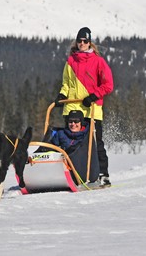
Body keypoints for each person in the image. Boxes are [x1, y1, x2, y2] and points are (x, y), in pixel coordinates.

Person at [54, 27, 114, 187]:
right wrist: (62, 95)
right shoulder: (70, 61)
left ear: (90, 43)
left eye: (85, 41)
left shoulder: (98, 61)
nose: (82, 43)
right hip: (72, 109)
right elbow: (66, 83)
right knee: (69, 143)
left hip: (91, 109)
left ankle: (103, 174)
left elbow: (108, 85)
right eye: (79, 40)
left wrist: (94, 95)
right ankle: (73, 173)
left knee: (95, 143)